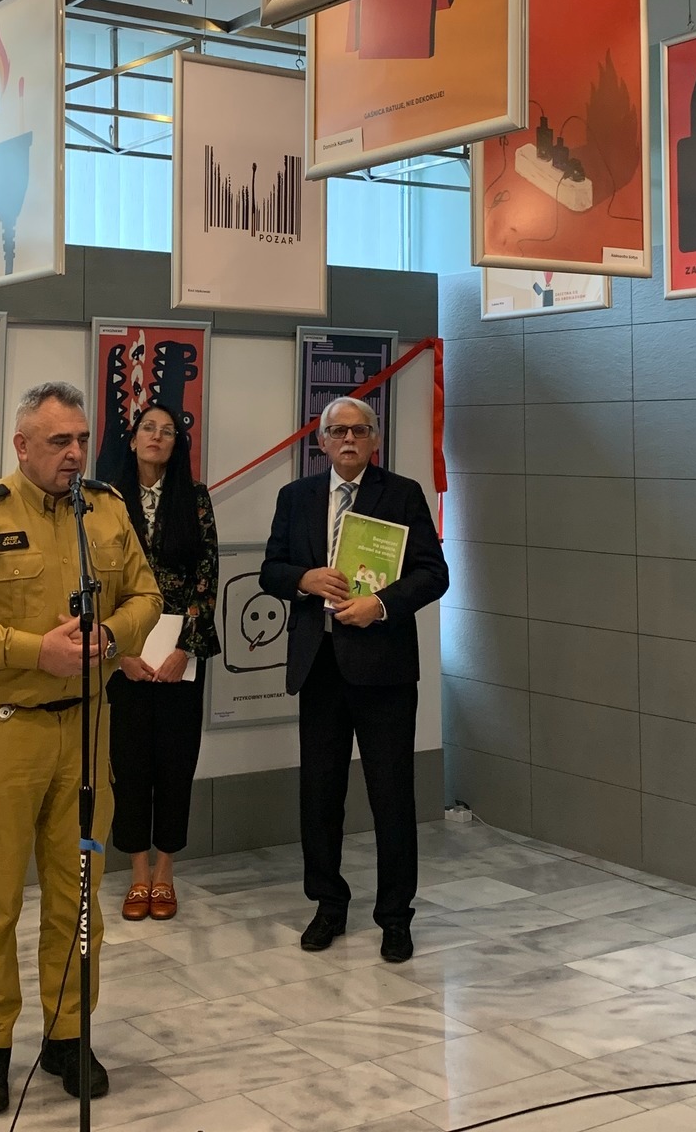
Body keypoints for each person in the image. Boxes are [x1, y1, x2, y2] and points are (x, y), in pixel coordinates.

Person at [0, 382, 161, 1117]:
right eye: (59, 441)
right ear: (22, 445)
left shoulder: (107, 510)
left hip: (86, 730)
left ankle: (67, 1032)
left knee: (78, 894)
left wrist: (110, 636)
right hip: (5, 731)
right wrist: (36, 651)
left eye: (82, 439)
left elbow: (147, 596)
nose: (75, 453)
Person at [260, 395, 448, 965]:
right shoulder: (295, 496)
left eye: (359, 431)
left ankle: (395, 917)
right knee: (320, 795)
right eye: (338, 431)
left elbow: (434, 574)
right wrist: (304, 579)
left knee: (391, 795)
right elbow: (271, 571)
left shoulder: (403, 493)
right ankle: (328, 904)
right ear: (321, 442)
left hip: (383, 669)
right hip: (318, 666)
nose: (348, 439)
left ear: (375, 440)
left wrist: (381, 606)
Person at [108, 404, 220, 923]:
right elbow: (97, 579)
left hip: (180, 656)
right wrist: (120, 652)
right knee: (129, 764)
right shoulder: (106, 499)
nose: (157, 437)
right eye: (148, 429)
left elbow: (207, 576)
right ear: (132, 440)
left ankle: (165, 871)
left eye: (167, 431)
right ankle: (136, 872)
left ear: (178, 444)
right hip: (125, 654)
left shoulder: (194, 499)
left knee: (176, 764)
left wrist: (184, 649)